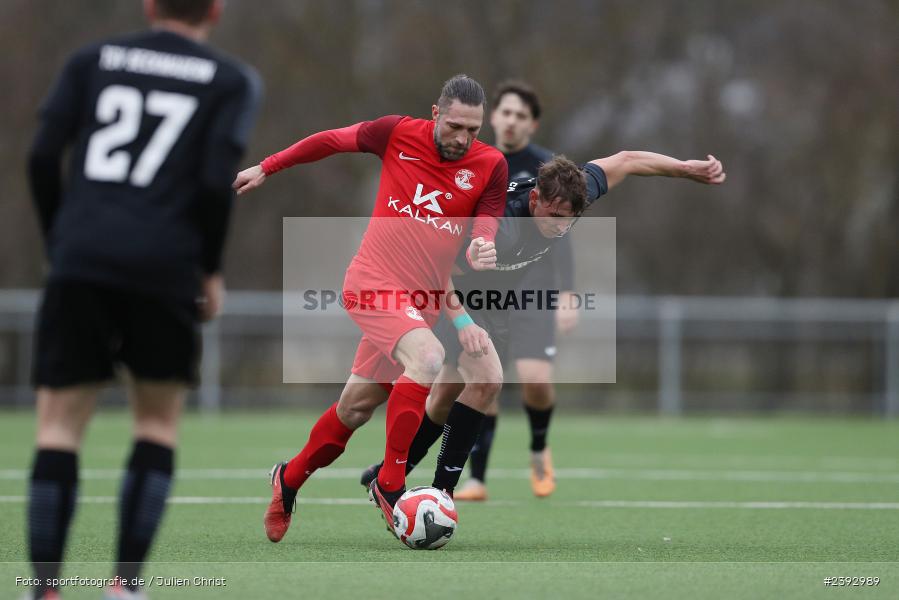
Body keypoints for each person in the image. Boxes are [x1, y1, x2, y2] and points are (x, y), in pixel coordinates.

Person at [24, 1, 261, 598]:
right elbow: (213, 184)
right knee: (156, 424)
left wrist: (60, 240)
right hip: (165, 266)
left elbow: (42, 156)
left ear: (150, 3)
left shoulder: (91, 60)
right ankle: (125, 586)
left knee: (58, 428)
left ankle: (45, 588)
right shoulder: (230, 80)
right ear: (216, 10)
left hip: (82, 259)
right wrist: (209, 269)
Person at [232, 74, 508, 543]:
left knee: (354, 409)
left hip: (420, 305)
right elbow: (330, 141)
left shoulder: (490, 165)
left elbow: (487, 219)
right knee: (429, 358)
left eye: (473, 130)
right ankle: (390, 483)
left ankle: (288, 479)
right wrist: (268, 166)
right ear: (436, 113)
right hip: (372, 283)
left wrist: (483, 243)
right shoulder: (395, 132)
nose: (463, 138)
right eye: (455, 126)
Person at [361, 151, 726, 498]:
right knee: (487, 380)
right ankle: (442, 493)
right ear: (534, 198)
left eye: (569, 219)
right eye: (553, 216)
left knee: (445, 398)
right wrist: (464, 322)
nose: (560, 226)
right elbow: (437, 271)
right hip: (447, 294)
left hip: (492, 303)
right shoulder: (502, 227)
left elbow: (628, 160)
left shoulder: (572, 194)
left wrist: (685, 169)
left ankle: (389, 475)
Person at [457, 80, 575, 501]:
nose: (511, 121)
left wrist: (568, 294)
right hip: (488, 287)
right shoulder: (476, 163)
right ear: (493, 117)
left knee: (535, 379)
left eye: (521, 116)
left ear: (532, 124)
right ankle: (477, 478)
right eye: (506, 112)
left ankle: (539, 448)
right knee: (483, 379)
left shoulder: (546, 167)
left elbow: (564, 232)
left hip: (534, 286)